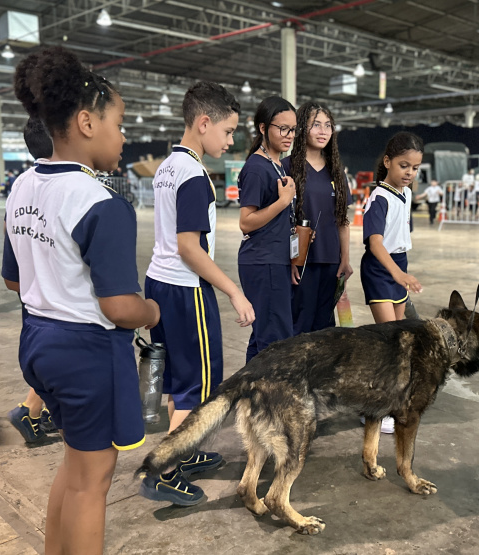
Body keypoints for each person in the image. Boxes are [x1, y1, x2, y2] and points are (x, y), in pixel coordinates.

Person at [7, 45, 159, 555]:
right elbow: (119, 307)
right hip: (88, 355)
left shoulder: (23, 186)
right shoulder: (101, 202)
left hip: (38, 343)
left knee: (74, 468)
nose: (124, 136)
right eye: (119, 123)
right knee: (93, 484)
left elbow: (13, 281)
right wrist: (153, 312)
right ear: (88, 122)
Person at [140, 82, 256, 504]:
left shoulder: (168, 166)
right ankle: (163, 472)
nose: (229, 140)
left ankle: (183, 456)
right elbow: (190, 248)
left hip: (160, 283)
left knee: (178, 381)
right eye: (227, 132)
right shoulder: (194, 176)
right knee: (198, 389)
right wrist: (234, 292)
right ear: (203, 123)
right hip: (187, 290)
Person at [360, 131, 425, 434]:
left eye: (414, 168)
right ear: (387, 161)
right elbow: (375, 244)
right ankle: (372, 408)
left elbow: (400, 236)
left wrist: (403, 271)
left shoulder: (406, 194)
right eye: (403, 165)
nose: (409, 173)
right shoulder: (379, 198)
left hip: (399, 264)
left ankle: (392, 400)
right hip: (379, 269)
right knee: (387, 344)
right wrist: (396, 275)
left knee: (399, 343)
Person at [7, 117, 59, 444]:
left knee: (48, 363)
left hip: (32, 297)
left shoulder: (21, 183)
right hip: (58, 302)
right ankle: (31, 408)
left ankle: (34, 409)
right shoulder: (77, 188)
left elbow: (11, 271)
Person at [283, 101, 353, 333]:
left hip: (330, 262)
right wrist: (292, 258)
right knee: (299, 325)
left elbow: (342, 220)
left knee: (325, 328)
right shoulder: (286, 167)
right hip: (301, 263)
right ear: (302, 128)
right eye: (316, 125)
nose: (323, 131)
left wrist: (345, 258)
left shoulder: (337, 172)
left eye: (328, 125)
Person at [237, 95, 297, 362]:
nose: (289, 135)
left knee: (263, 337)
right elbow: (246, 222)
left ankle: (249, 397)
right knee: (276, 342)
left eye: (293, 129)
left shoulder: (276, 164)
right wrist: (283, 202)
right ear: (263, 128)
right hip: (264, 262)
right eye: (282, 128)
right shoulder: (257, 168)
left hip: (275, 260)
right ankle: (270, 402)